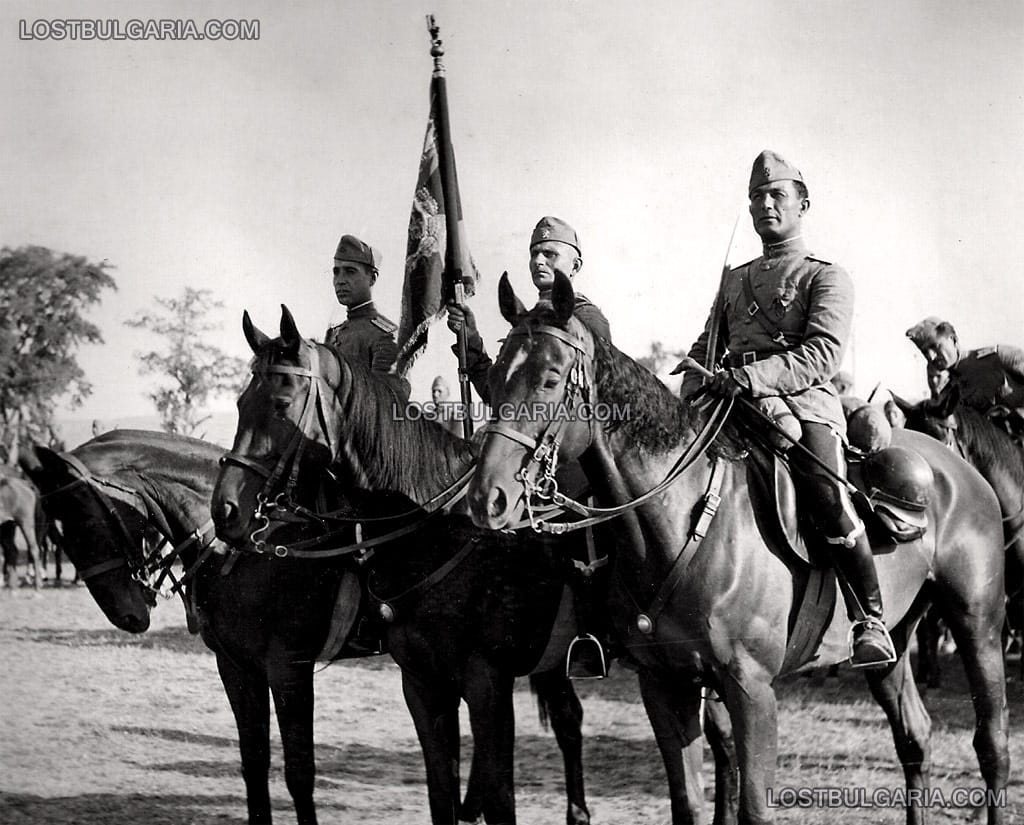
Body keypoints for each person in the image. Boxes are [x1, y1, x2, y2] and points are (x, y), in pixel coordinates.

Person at [676, 150, 896, 668]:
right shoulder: (734, 279)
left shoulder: (827, 276)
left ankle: (870, 619)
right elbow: (708, 345)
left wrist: (752, 377)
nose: (764, 204)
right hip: (732, 401)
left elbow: (822, 354)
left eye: (776, 195)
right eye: (756, 196)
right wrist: (687, 392)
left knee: (824, 489)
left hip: (804, 403)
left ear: (803, 204)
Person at [447, 216, 613, 678]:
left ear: (574, 263)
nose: (540, 260)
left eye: (551, 254)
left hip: (571, 454)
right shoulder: (525, 323)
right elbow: (503, 395)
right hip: (526, 451)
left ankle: (592, 634)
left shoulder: (586, 318)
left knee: (585, 535)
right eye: (535, 254)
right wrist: (473, 346)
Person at [325, 234, 410, 400]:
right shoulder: (334, 333)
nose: (340, 280)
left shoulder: (385, 335)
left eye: (350, 272)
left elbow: (385, 401)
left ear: (372, 278)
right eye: (337, 272)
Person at [906, 317, 1024, 435]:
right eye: (925, 352)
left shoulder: (998, 357)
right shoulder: (947, 396)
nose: (931, 357)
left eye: (935, 346)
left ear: (952, 339)